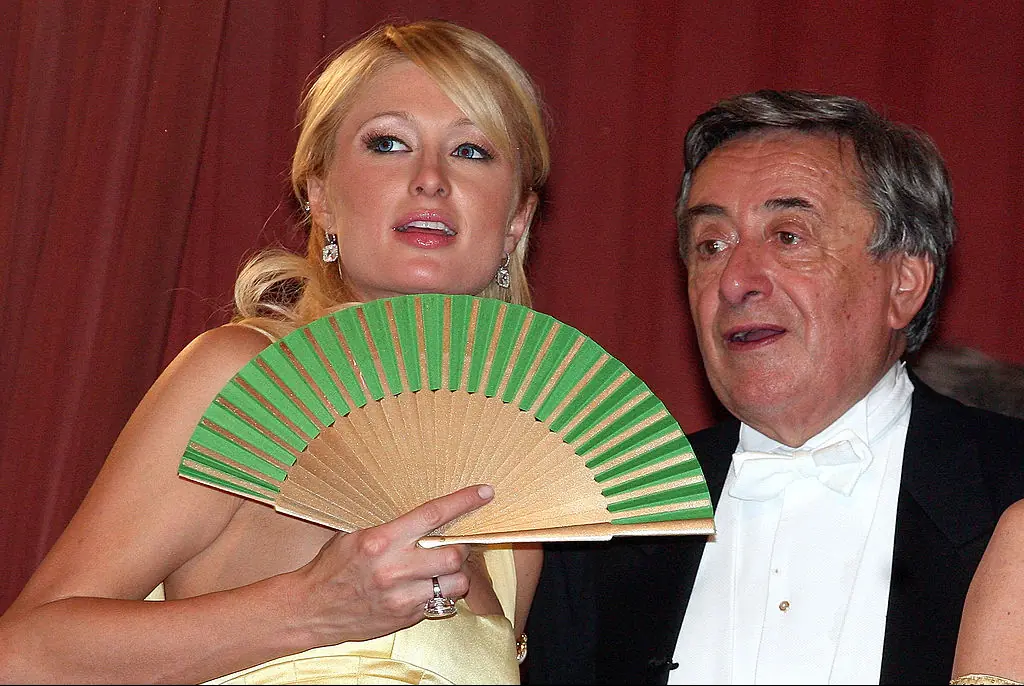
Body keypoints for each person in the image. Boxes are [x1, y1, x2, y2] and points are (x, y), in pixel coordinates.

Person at [0, 19, 549, 684]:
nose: (430, 178)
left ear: (516, 218)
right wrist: (311, 609)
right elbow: (23, 655)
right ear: (322, 197)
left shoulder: (518, 520)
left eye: (470, 152)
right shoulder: (243, 377)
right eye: (388, 143)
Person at [525, 90, 1024, 685]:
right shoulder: (604, 525)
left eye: (789, 236)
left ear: (905, 283)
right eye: (711, 245)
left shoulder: (1007, 489)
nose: (735, 281)